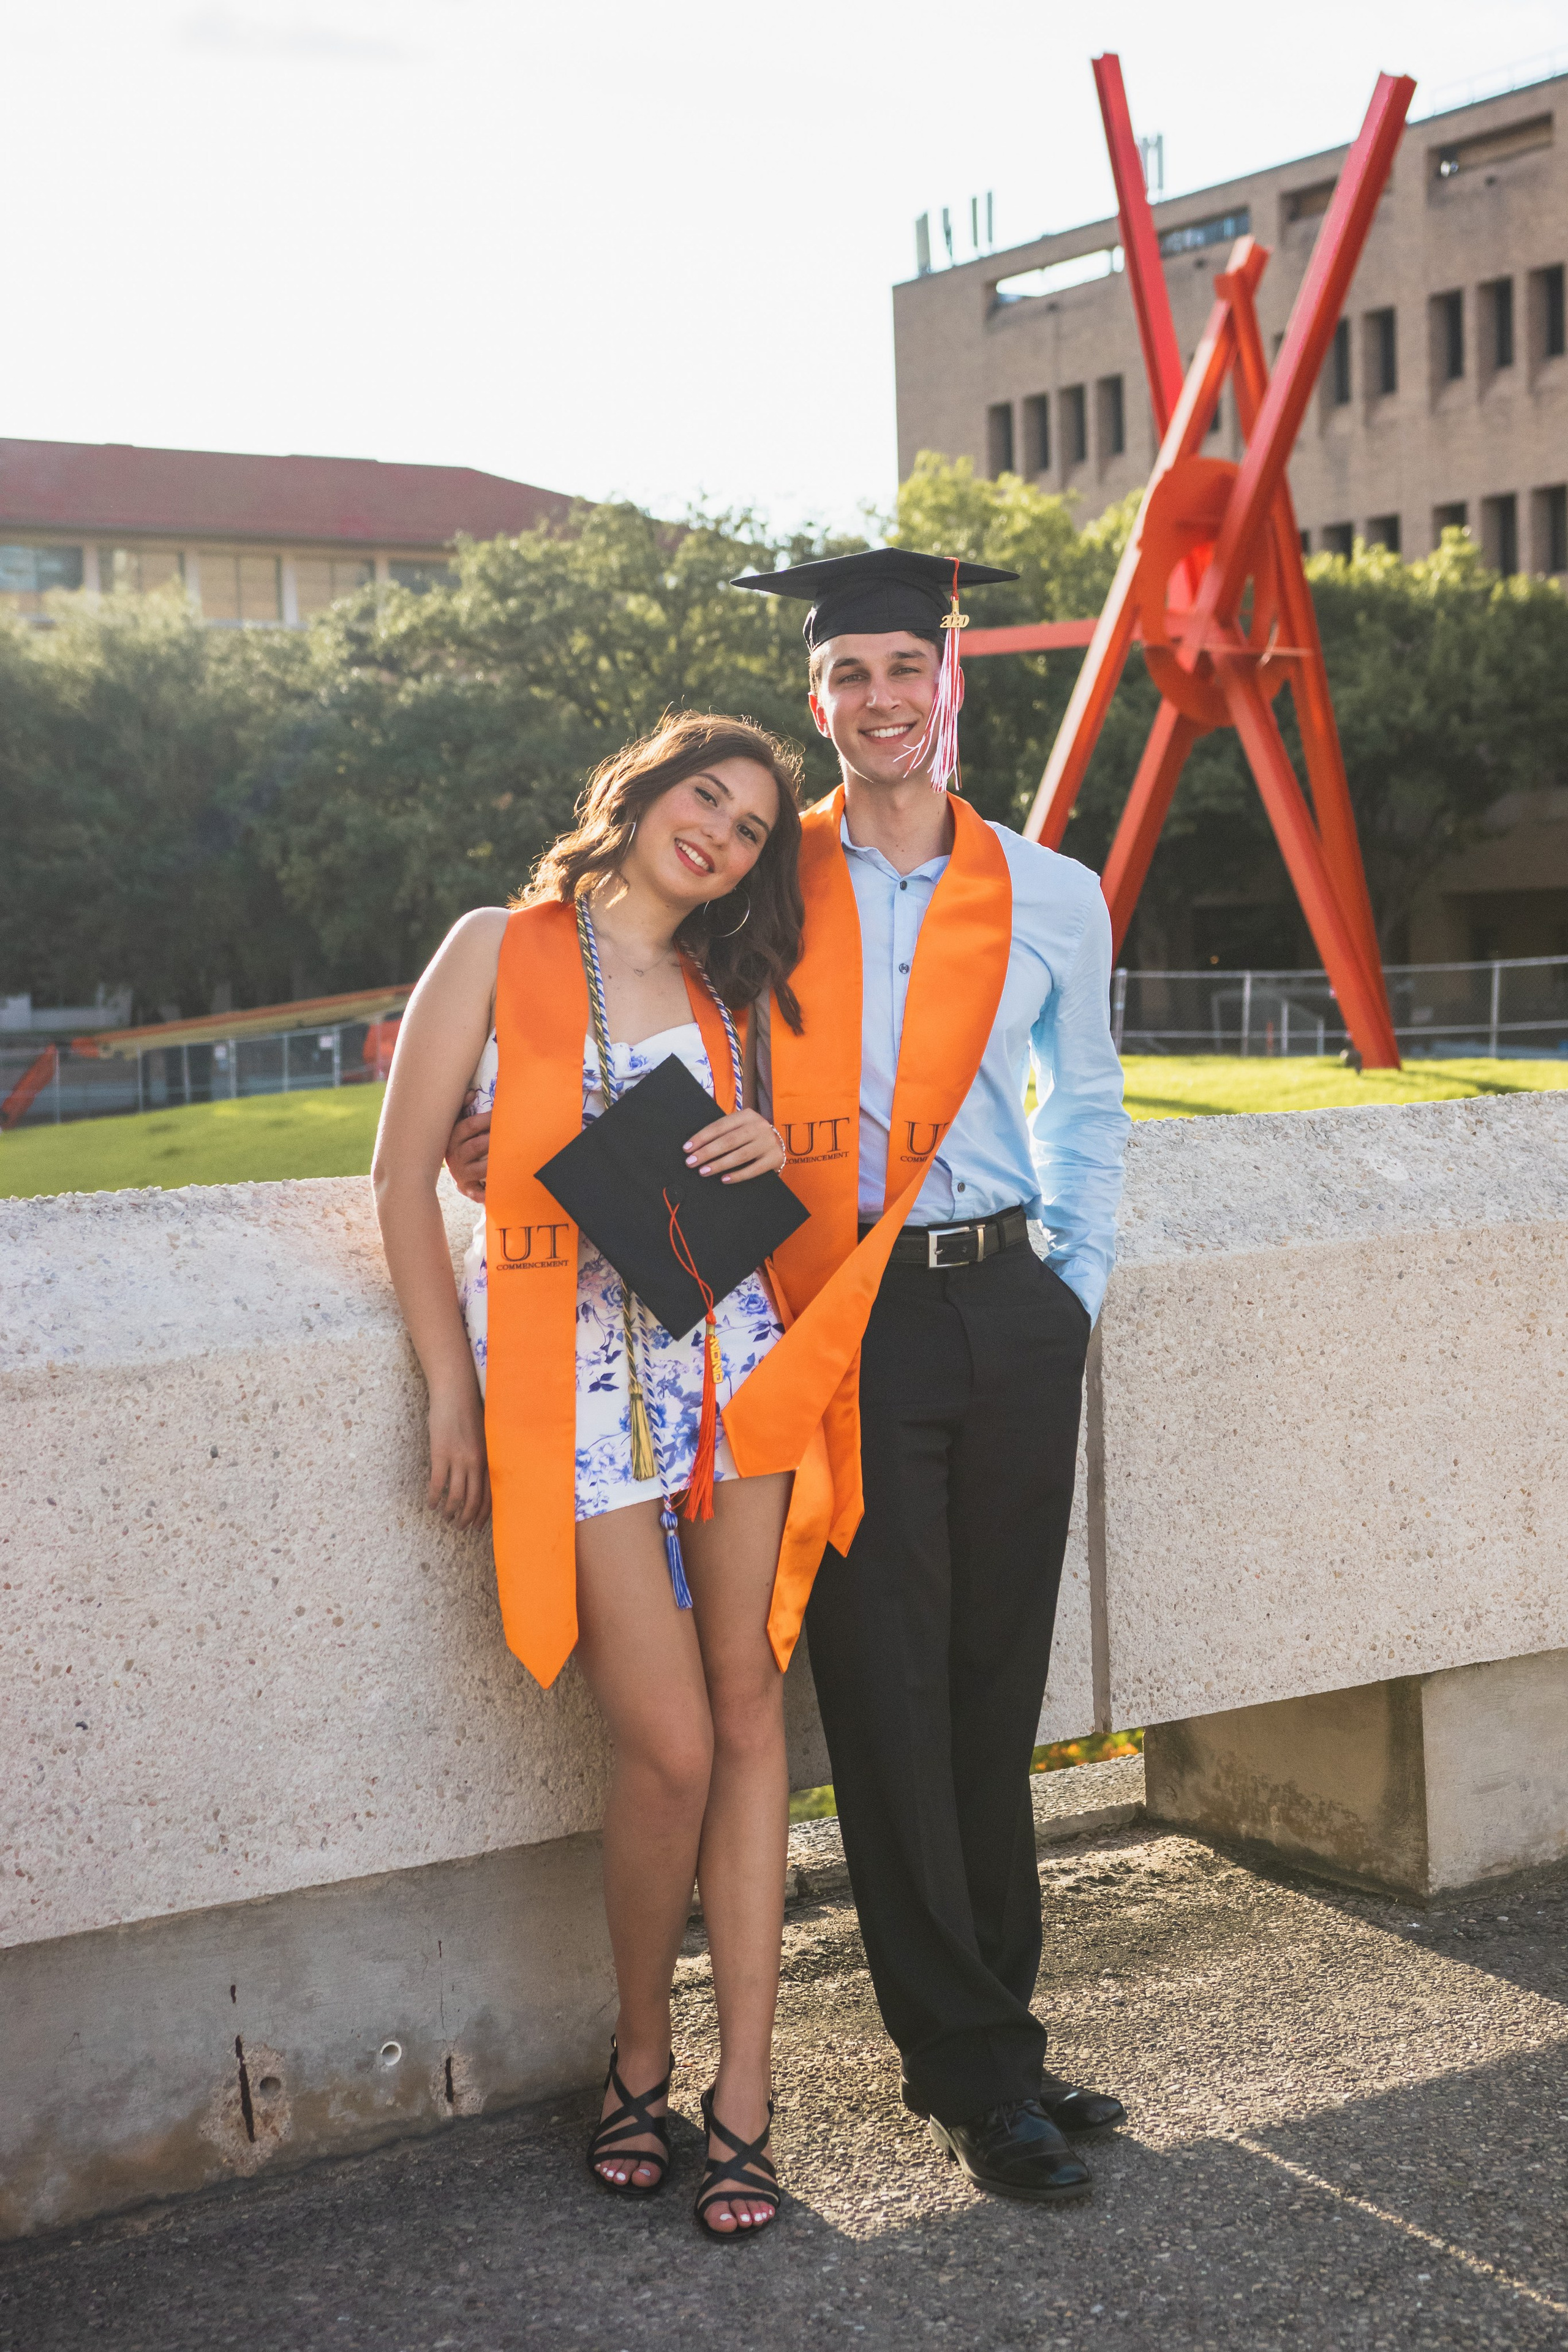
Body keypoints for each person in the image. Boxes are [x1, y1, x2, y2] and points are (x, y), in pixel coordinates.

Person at [447, 548, 1133, 2207]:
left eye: (906, 668)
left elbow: (1090, 1103)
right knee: (886, 1695)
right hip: (837, 1320)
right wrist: (505, 1135)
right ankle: (969, 2071)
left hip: (1013, 1308)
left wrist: (1075, 1293)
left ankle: (1008, 2039)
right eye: (850, 678)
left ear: (950, 676)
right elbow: (608, 996)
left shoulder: (1048, 887)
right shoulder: (770, 877)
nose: (881, 702)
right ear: (821, 698)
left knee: (997, 1683)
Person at [374, 711, 810, 2241]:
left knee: (753, 1712)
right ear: (639, 793)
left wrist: (761, 1144)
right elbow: (404, 1175)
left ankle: (744, 2090)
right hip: (576, 1391)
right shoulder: (500, 947)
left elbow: (783, 1176)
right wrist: (448, 1383)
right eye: (707, 796)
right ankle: (641, 2050)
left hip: (732, 1365)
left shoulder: (726, 990)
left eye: (753, 826)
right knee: (672, 1744)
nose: (722, 834)